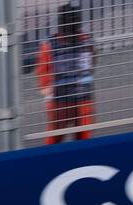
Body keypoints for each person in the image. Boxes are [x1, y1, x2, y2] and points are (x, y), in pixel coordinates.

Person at [36, 4, 96, 145]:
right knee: (56, 138)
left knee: (83, 136)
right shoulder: (50, 44)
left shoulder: (86, 41)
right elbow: (43, 71)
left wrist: (47, 89)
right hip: (62, 99)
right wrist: (47, 91)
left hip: (80, 97)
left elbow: (91, 63)